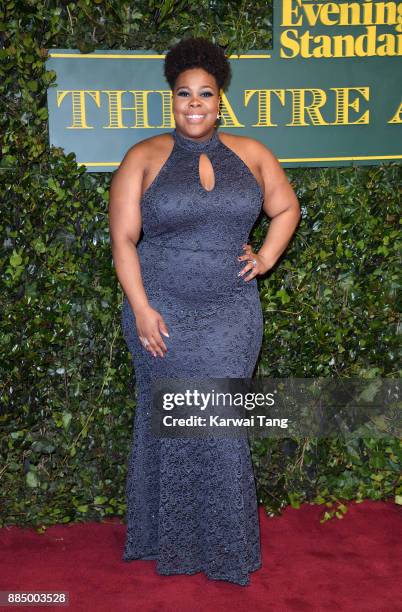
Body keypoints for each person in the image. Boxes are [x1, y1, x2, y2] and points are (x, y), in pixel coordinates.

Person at [108, 37, 301, 586]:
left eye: (206, 94)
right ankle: (164, 532)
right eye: (184, 94)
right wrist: (141, 309)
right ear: (172, 99)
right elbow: (123, 240)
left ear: (221, 100)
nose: (195, 104)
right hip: (161, 308)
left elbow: (286, 207)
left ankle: (220, 543)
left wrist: (265, 256)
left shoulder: (252, 153)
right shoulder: (142, 157)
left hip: (232, 310)